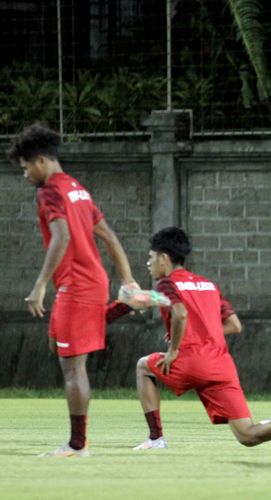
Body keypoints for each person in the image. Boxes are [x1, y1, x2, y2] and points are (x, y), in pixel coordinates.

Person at [7, 123, 137, 458]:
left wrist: (38, 286)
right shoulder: (78, 189)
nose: (25, 175)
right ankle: (122, 304)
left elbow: (62, 237)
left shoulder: (49, 191)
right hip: (90, 283)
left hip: (76, 286)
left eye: (25, 168)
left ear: (40, 161)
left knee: (73, 367)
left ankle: (77, 445)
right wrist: (127, 279)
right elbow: (108, 235)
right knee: (59, 345)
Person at [131, 227, 271, 451]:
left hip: (191, 361)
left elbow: (180, 313)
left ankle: (155, 438)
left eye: (150, 257)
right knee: (247, 434)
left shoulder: (167, 283)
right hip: (221, 366)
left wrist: (173, 350)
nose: (148, 263)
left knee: (143, 367)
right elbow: (234, 325)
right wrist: (198, 332)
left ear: (164, 258)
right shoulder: (209, 285)